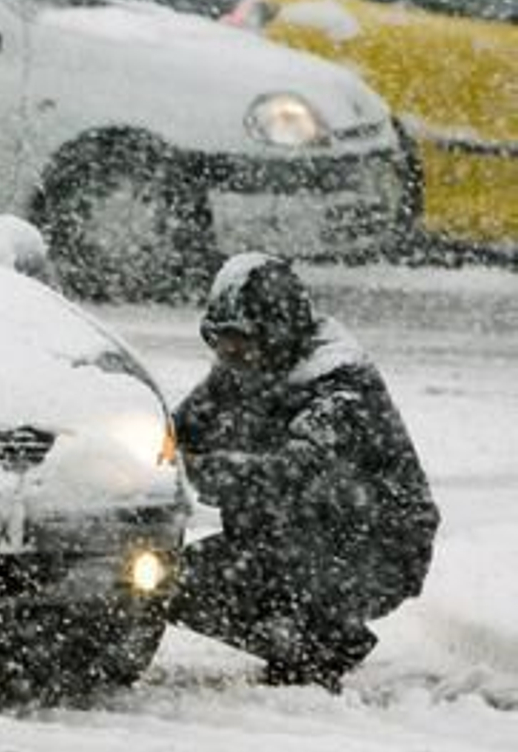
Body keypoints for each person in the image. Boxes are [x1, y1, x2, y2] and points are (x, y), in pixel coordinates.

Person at [166, 252, 440, 691]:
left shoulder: (341, 387)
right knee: (164, 580)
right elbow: (176, 431)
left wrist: (198, 468)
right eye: (219, 338)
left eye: (238, 338)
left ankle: (319, 641)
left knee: (300, 508)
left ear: (277, 333)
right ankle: (295, 634)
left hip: (378, 546)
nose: (226, 351)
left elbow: (291, 472)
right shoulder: (240, 370)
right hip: (286, 540)